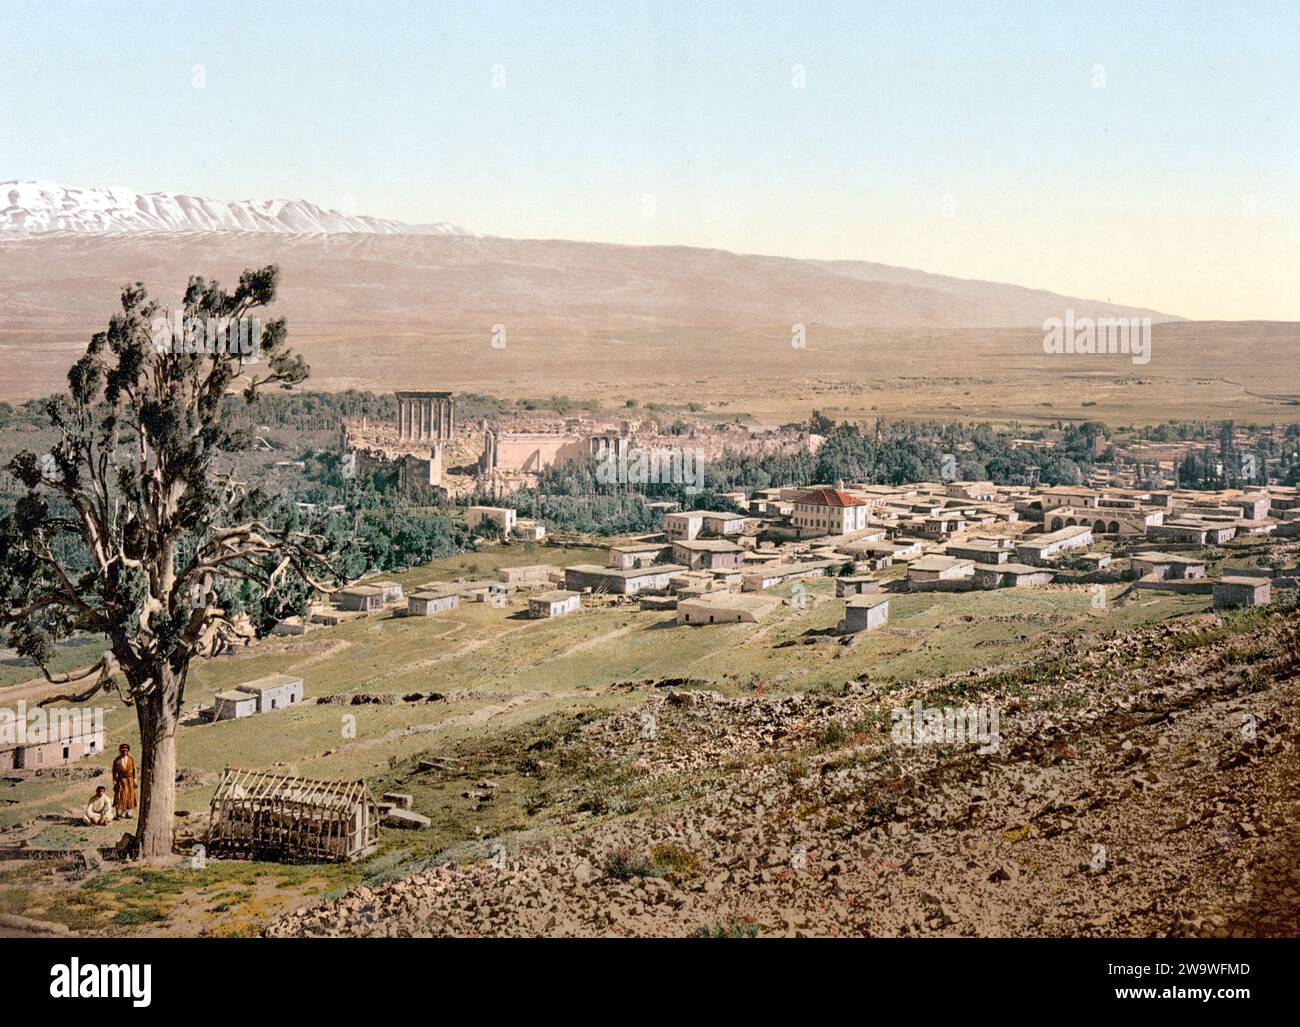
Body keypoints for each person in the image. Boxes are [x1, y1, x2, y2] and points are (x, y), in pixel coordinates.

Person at [112, 743, 137, 820]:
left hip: (130, 780)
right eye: (122, 750)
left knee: (130, 795)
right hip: (120, 780)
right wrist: (114, 780)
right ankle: (120, 813)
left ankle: (128, 813)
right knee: (120, 795)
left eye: (125, 750)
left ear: (128, 751)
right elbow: (114, 771)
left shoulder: (131, 760)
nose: (124, 752)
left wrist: (135, 779)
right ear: (120, 751)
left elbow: (134, 770)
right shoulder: (117, 760)